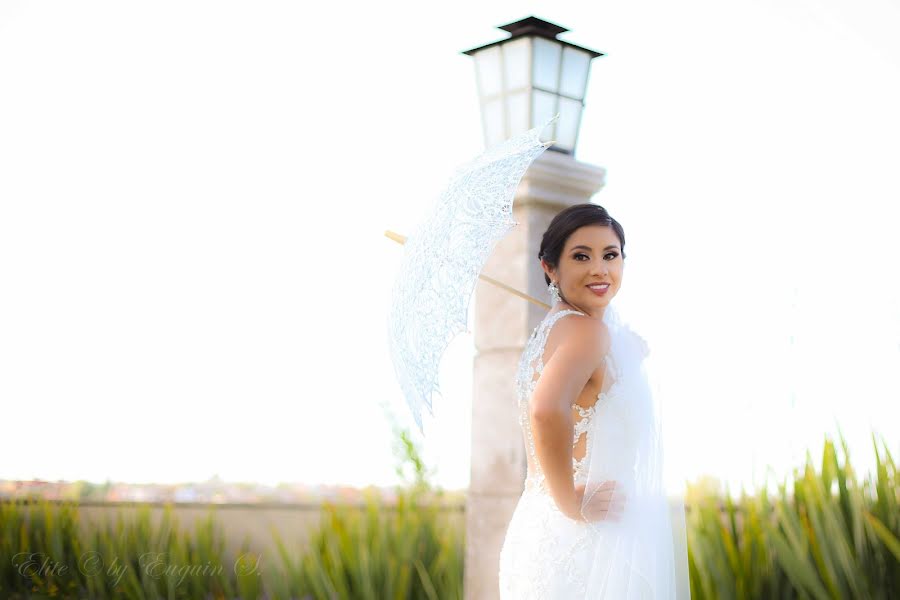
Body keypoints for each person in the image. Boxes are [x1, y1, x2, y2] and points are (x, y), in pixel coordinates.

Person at [498, 203, 690, 598]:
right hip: (587, 537)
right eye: (581, 256)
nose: (600, 269)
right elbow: (546, 410)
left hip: (538, 531)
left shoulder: (552, 333)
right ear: (550, 267)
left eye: (611, 255)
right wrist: (570, 503)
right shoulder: (587, 334)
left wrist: (626, 359)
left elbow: (587, 401)